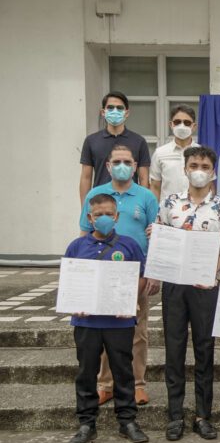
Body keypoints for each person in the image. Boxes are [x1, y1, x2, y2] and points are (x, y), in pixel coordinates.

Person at [151, 146, 220, 441]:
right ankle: (175, 415)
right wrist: (156, 236)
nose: (199, 169)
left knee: (205, 349)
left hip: (205, 286)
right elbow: (160, 236)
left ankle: (204, 414)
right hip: (174, 285)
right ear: (185, 169)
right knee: (174, 350)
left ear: (213, 171)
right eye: (193, 164)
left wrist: (211, 272)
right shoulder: (170, 203)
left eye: (204, 165)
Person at [65, 194, 149, 443]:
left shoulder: (129, 245)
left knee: (123, 371)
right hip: (86, 323)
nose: (103, 218)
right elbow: (70, 282)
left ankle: (127, 421)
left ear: (117, 217)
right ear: (90, 218)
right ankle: (86, 423)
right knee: (86, 372)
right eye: (98, 214)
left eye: (109, 214)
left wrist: (130, 300)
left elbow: (141, 277)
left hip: (119, 322)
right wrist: (74, 302)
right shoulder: (77, 247)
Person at [79, 145, 159, 407]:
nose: (122, 165)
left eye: (127, 161)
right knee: (103, 330)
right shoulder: (96, 194)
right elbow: (83, 235)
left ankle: (137, 384)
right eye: (117, 161)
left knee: (138, 331)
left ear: (135, 167)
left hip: (136, 274)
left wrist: (154, 273)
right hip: (101, 274)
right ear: (108, 165)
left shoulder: (146, 196)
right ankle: (106, 385)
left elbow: (156, 236)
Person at [80, 92, 151, 205]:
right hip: (100, 203)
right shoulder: (91, 141)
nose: (115, 111)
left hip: (131, 203)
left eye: (119, 108)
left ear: (126, 113)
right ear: (103, 112)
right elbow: (86, 177)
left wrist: (143, 204)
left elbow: (144, 178)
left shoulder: (139, 141)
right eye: (110, 107)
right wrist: (85, 208)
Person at [149, 104, 201, 203]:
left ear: (194, 126)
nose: (182, 126)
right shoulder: (160, 153)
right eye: (177, 122)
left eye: (187, 122)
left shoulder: (202, 153)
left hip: (196, 210)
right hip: (168, 211)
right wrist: (156, 213)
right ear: (171, 125)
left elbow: (209, 185)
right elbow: (155, 187)